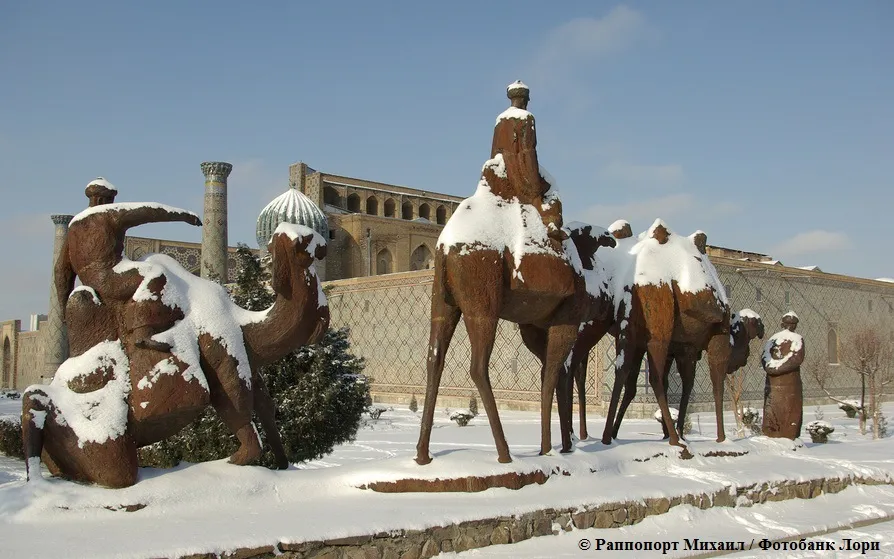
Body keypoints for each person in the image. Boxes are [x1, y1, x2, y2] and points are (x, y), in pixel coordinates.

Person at [55, 178, 202, 352]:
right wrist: (184, 215)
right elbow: (148, 212)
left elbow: (61, 271)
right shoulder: (108, 214)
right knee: (155, 273)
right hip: (111, 279)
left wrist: (63, 304)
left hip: (90, 284)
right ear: (104, 199)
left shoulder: (74, 227)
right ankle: (143, 332)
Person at [488, 81, 566, 242]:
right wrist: (533, 182)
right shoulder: (526, 117)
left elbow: (495, 151)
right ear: (525, 100)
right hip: (520, 164)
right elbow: (528, 150)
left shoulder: (500, 119)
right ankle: (550, 226)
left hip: (501, 165)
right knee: (551, 187)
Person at [761, 311, 805, 439]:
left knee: (788, 413)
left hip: (788, 384)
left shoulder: (795, 339)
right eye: (788, 323)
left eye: (792, 324)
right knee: (773, 411)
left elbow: (796, 358)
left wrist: (774, 368)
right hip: (776, 385)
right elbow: (765, 357)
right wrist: (772, 368)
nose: (790, 326)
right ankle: (774, 434)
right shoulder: (774, 339)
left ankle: (787, 436)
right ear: (783, 324)